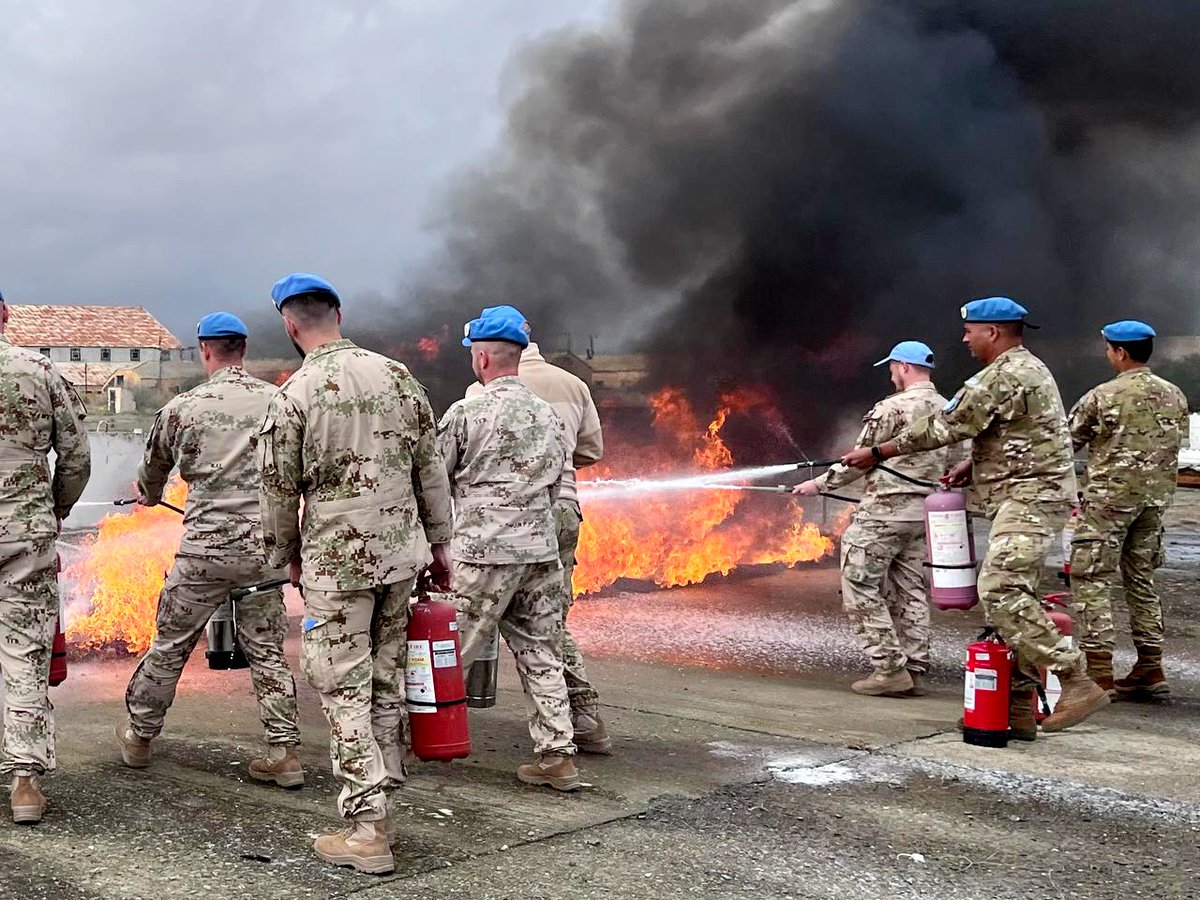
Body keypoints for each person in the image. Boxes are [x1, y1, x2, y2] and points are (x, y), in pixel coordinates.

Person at [842, 297, 1109, 739]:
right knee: (1014, 593)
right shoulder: (1028, 370)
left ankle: (1075, 678)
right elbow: (1016, 431)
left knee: (1000, 588)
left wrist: (877, 451)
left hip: (1030, 497)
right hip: (1027, 492)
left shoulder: (1005, 374)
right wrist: (974, 465)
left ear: (994, 332)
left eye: (970, 331)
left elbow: (945, 426)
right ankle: (1018, 708)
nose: (964, 339)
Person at [259, 274, 453, 875]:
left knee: (341, 685)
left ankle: (368, 828)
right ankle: (386, 785)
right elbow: (432, 470)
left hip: (336, 564)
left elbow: (277, 492)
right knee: (385, 676)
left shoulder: (294, 394)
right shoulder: (400, 378)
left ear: (290, 325)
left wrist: (285, 554)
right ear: (338, 314)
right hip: (399, 558)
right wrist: (441, 543)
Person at [117, 313, 303, 789]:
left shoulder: (184, 407)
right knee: (267, 651)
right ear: (243, 349)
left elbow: (152, 476)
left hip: (203, 553)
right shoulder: (280, 402)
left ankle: (139, 737)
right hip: (264, 551)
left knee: (171, 644)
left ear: (205, 350)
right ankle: (284, 753)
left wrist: (149, 491)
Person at [438, 305, 580, 790]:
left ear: (481, 358)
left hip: (483, 552)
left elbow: (435, 480)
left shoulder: (466, 412)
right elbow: (561, 482)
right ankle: (557, 755)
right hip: (540, 551)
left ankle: (409, 738)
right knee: (542, 651)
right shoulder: (550, 415)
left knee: (451, 651)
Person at [464, 325, 610, 750]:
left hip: (495, 528)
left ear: (485, 356)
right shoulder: (572, 386)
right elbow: (589, 451)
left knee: (461, 631)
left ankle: (424, 725)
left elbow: (448, 467)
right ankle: (580, 721)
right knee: (546, 626)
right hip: (557, 517)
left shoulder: (476, 398)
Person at [794, 341, 950, 697]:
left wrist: (816, 485)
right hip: (924, 515)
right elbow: (959, 462)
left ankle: (888, 667)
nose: (891, 374)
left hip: (884, 513)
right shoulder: (947, 409)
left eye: (892, 368)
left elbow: (858, 460)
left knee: (859, 582)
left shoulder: (892, 409)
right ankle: (913, 666)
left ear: (904, 367)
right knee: (910, 588)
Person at [0, 288, 91, 824]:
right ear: (6, 315)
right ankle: (25, 783)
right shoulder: (38, 369)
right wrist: (53, 508)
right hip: (25, 534)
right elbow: (76, 455)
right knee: (24, 655)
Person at [1067, 320, 1188, 699]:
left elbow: (1064, 443)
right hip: (1154, 502)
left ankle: (1099, 675)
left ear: (1119, 352)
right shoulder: (1175, 395)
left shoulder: (1102, 396)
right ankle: (1150, 666)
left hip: (1108, 503)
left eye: (1108, 349)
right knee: (1141, 579)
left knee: (1090, 579)